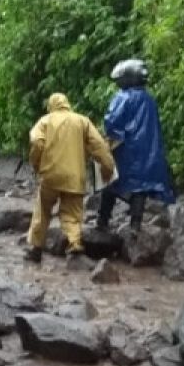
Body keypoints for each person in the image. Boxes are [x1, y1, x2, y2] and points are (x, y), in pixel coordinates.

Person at [25, 93, 115, 263]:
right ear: (67, 104)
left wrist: (36, 164)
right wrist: (108, 167)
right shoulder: (82, 121)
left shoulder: (44, 121)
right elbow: (99, 146)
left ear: (51, 105)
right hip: (75, 176)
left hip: (50, 175)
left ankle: (36, 248)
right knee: (72, 214)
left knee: (43, 211)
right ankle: (74, 245)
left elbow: (37, 142)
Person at [96, 59, 176, 232]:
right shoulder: (150, 100)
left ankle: (102, 221)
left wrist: (108, 139)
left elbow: (112, 122)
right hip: (146, 152)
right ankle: (135, 225)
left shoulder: (123, 98)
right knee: (140, 188)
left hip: (126, 150)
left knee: (110, 182)